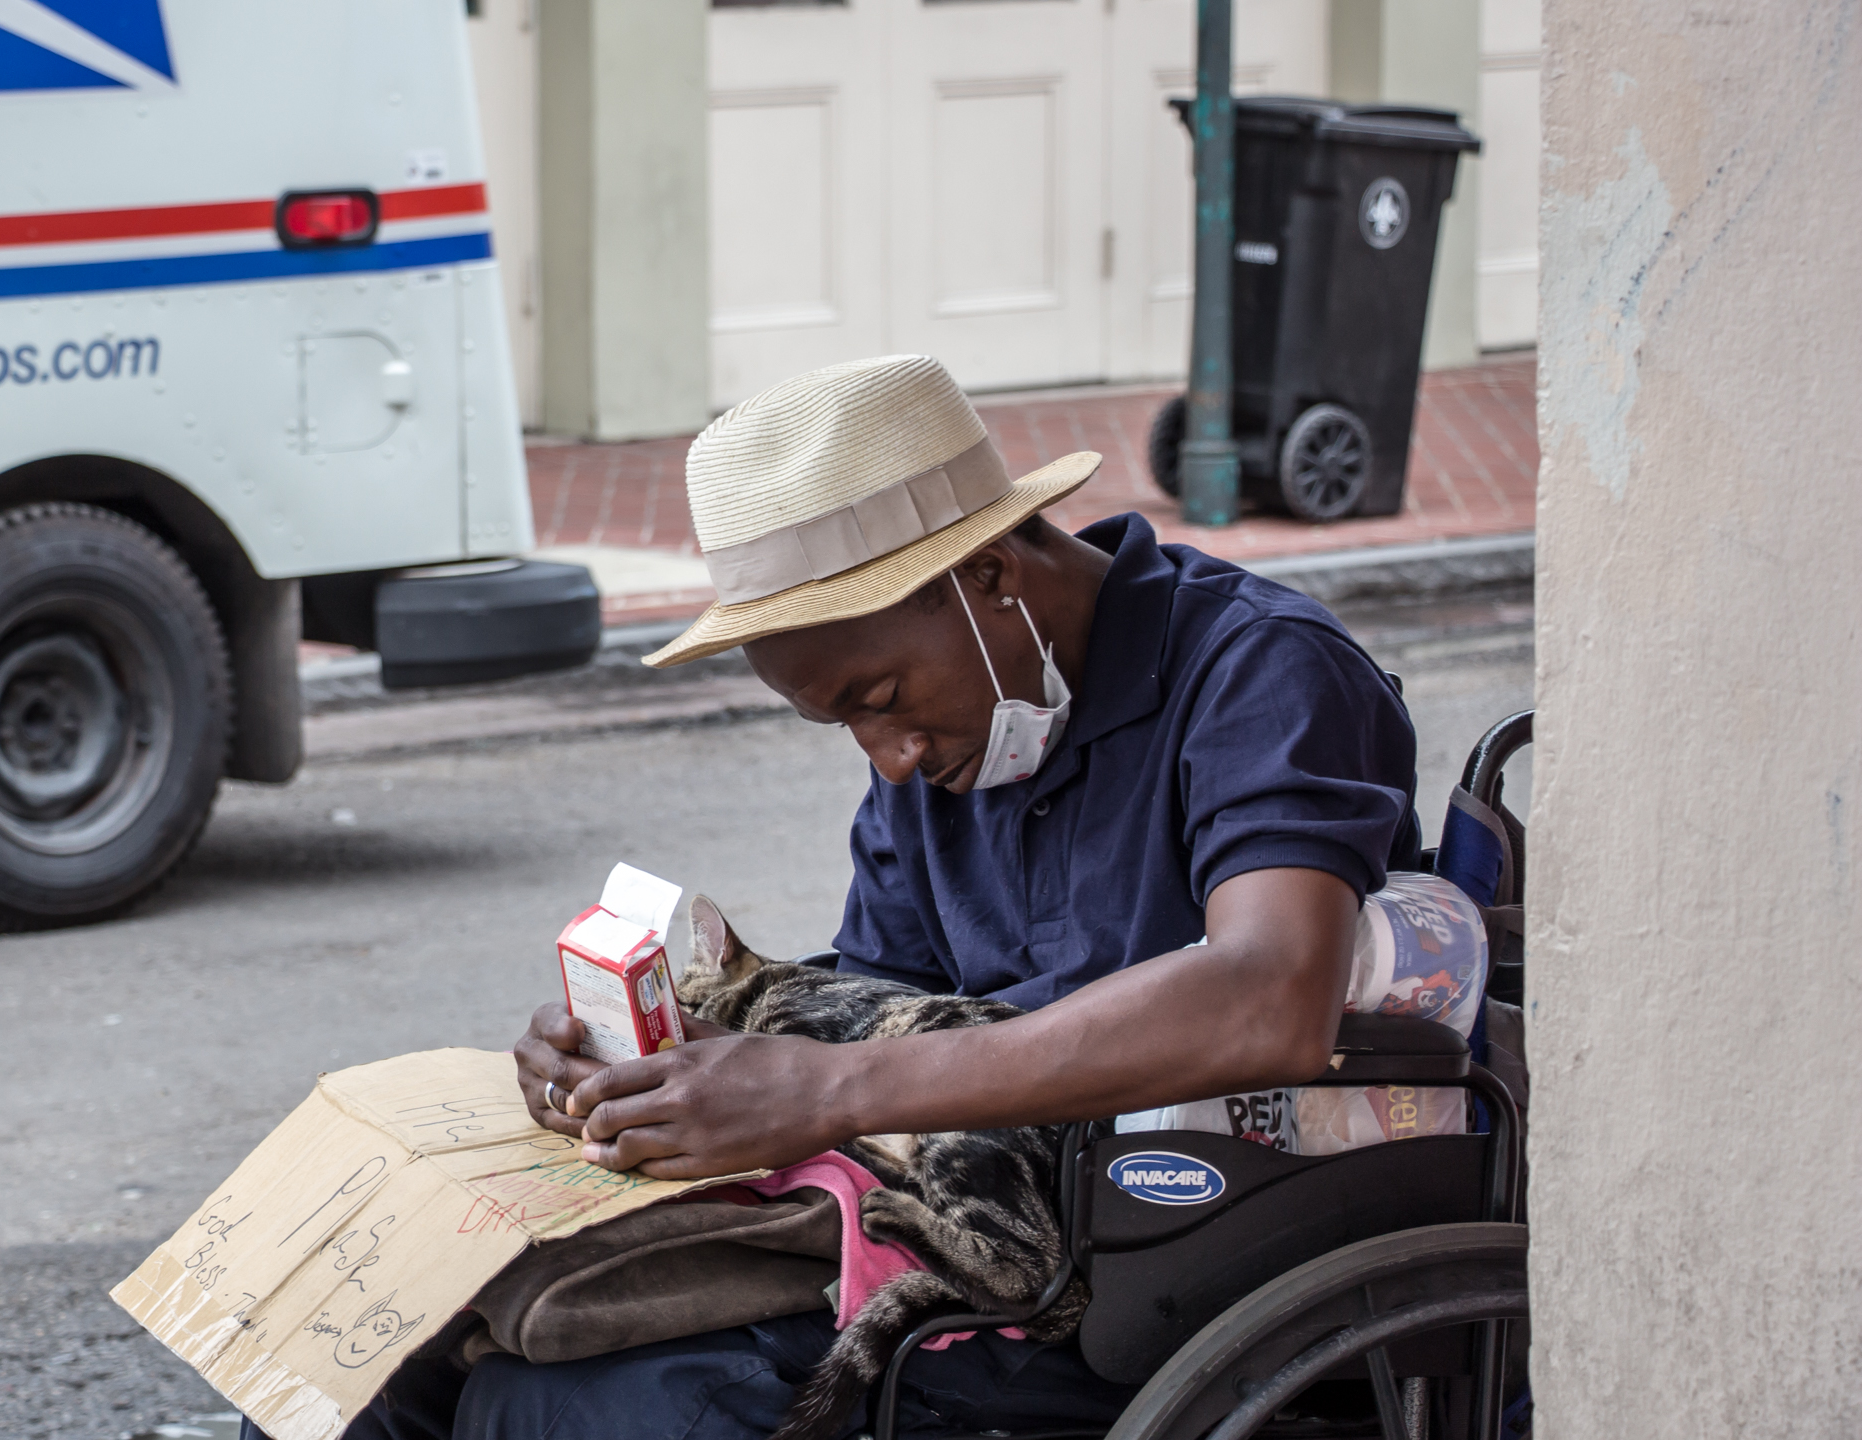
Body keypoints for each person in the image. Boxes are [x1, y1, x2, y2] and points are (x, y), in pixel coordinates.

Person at [255, 354, 1418, 1440]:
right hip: (942, 1204)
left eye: (879, 697)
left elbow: (1272, 994)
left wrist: (828, 1086)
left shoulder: (1262, 674)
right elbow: (880, 998)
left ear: (989, 577)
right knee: (359, 1341)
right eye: (845, 723)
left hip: (1156, 1252)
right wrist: (677, 1065)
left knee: (594, 1405)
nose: (891, 759)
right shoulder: (955, 737)